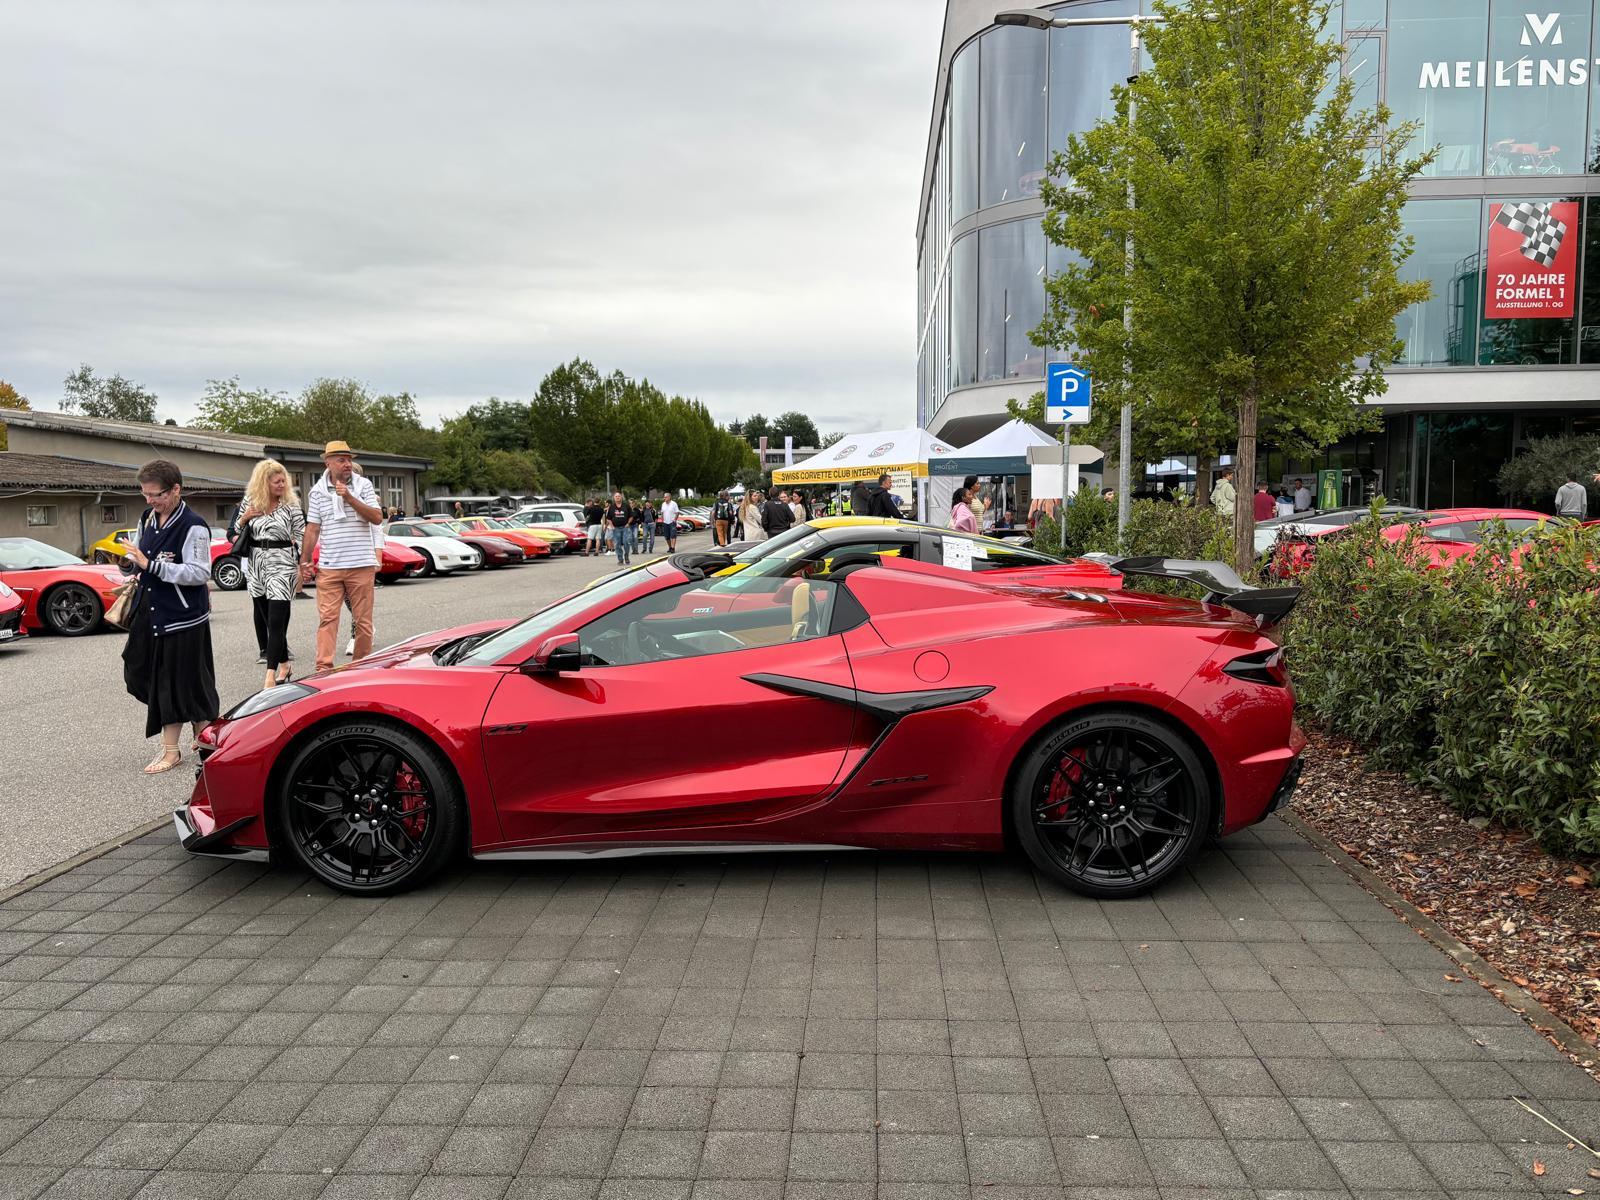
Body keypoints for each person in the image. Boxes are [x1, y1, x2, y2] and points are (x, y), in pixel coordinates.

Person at [121, 460, 220, 774]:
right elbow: (138, 557)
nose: (150, 500)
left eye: (157, 494)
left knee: (175, 683)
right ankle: (203, 727)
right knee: (137, 672)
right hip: (149, 612)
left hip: (183, 616)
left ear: (176, 489)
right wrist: (129, 566)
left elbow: (199, 572)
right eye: (145, 494)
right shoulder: (147, 518)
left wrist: (151, 566)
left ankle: (171, 750)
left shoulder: (194, 525)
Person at [302, 440, 383, 674]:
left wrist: (349, 497)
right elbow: (313, 528)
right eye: (341, 460)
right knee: (328, 619)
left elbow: (376, 518)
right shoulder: (317, 491)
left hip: (361, 564)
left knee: (363, 622)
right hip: (330, 567)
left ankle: (359, 669)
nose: (347, 464)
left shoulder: (363, 485)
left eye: (349, 459)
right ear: (328, 462)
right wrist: (305, 560)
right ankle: (323, 670)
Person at [237, 460, 306, 692]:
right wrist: (244, 518)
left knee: (276, 620)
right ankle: (285, 665)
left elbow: (302, 535)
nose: (282, 484)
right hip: (256, 563)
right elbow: (234, 533)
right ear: (263, 482)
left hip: (283, 562)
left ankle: (270, 675)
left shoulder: (291, 505)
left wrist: (303, 565)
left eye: (283, 480)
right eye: (277, 481)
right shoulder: (251, 502)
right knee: (267, 618)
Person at [605, 491, 634, 565]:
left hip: (625, 527)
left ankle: (626, 556)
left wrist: (628, 523)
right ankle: (620, 559)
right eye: (616, 496)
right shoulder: (611, 507)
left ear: (621, 497)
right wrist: (612, 526)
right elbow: (608, 518)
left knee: (626, 542)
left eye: (619, 496)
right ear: (614, 498)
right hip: (616, 528)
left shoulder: (626, 506)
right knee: (617, 544)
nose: (617, 497)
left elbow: (631, 516)